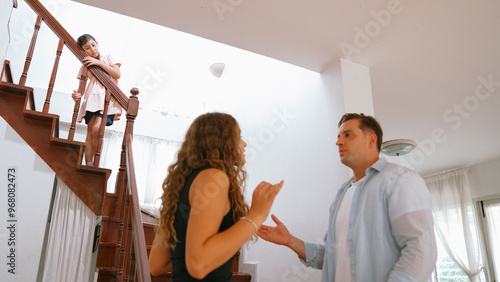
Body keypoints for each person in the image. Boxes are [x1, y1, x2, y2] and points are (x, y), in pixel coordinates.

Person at [258, 113, 437, 282]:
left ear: (371, 140)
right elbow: (331, 255)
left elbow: (421, 250)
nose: (338, 142)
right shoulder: (342, 194)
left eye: (348, 135)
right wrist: (289, 240)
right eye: (338, 136)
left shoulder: (400, 180)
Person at [148, 112, 284, 281]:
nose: (244, 143)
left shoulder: (183, 184)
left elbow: (157, 264)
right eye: (239, 137)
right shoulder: (214, 178)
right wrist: (256, 216)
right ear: (222, 142)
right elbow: (198, 266)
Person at [71, 34, 122, 166]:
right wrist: (77, 95)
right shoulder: (85, 65)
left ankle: (97, 163)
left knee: (97, 129)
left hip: (107, 99)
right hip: (92, 98)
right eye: (87, 48)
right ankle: (89, 164)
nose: (92, 49)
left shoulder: (108, 58)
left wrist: (99, 63)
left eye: (93, 45)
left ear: (97, 44)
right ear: (84, 51)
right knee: (90, 131)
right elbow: (80, 90)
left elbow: (117, 74)